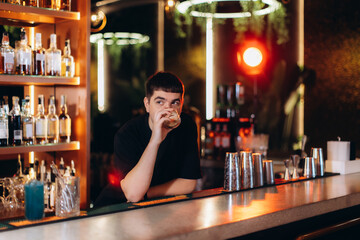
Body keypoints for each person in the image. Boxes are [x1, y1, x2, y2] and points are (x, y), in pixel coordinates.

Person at [95, 71, 201, 206]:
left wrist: (148, 194)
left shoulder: (187, 125)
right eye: (160, 102)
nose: (167, 110)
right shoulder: (127, 133)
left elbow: (189, 183)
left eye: (175, 103)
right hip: (117, 205)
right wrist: (155, 140)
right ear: (147, 104)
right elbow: (133, 195)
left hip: (155, 204)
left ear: (181, 105)